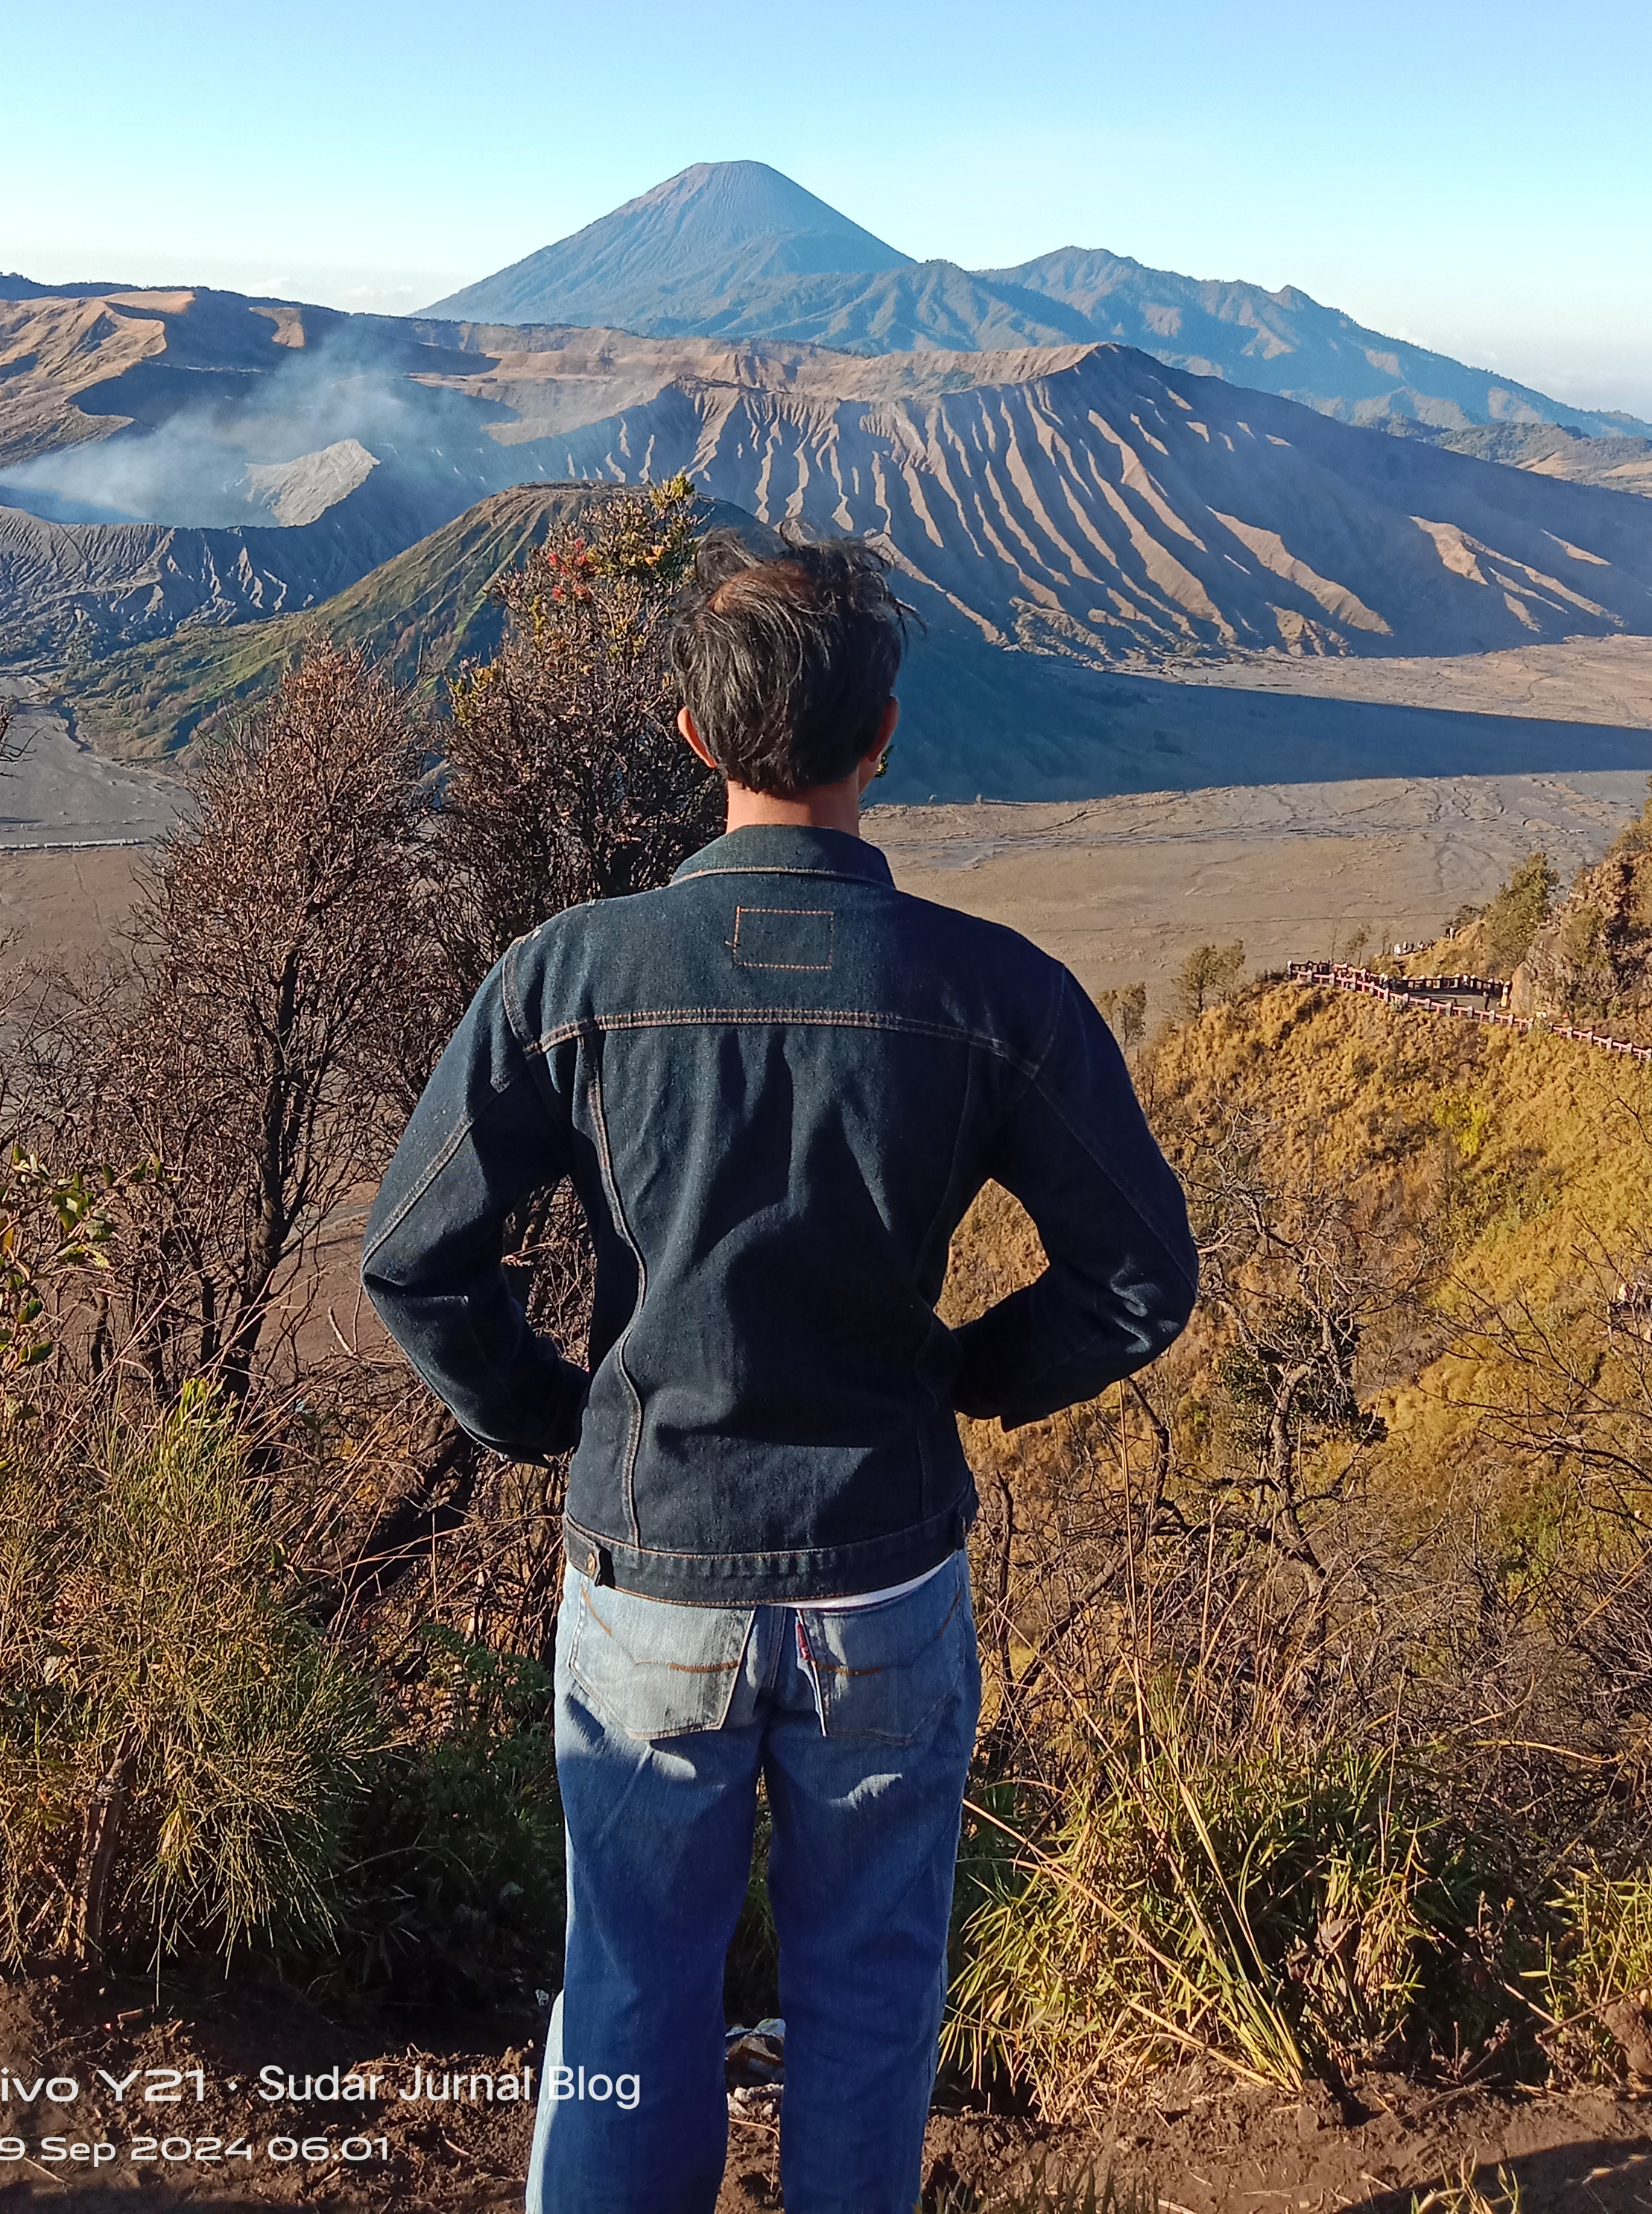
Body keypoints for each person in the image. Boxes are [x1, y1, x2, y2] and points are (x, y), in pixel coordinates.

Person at [362, 533, 1197, 2214]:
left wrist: (560, 1416)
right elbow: (1140, 1280)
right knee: (870, 2004)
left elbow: (409, 1259)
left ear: (690, 734)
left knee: (626, 1997)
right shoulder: (997, 994)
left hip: (647, 1568)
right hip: (885, 1572)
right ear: (885, 736)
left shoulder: (573, 978)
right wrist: (971, 1372)